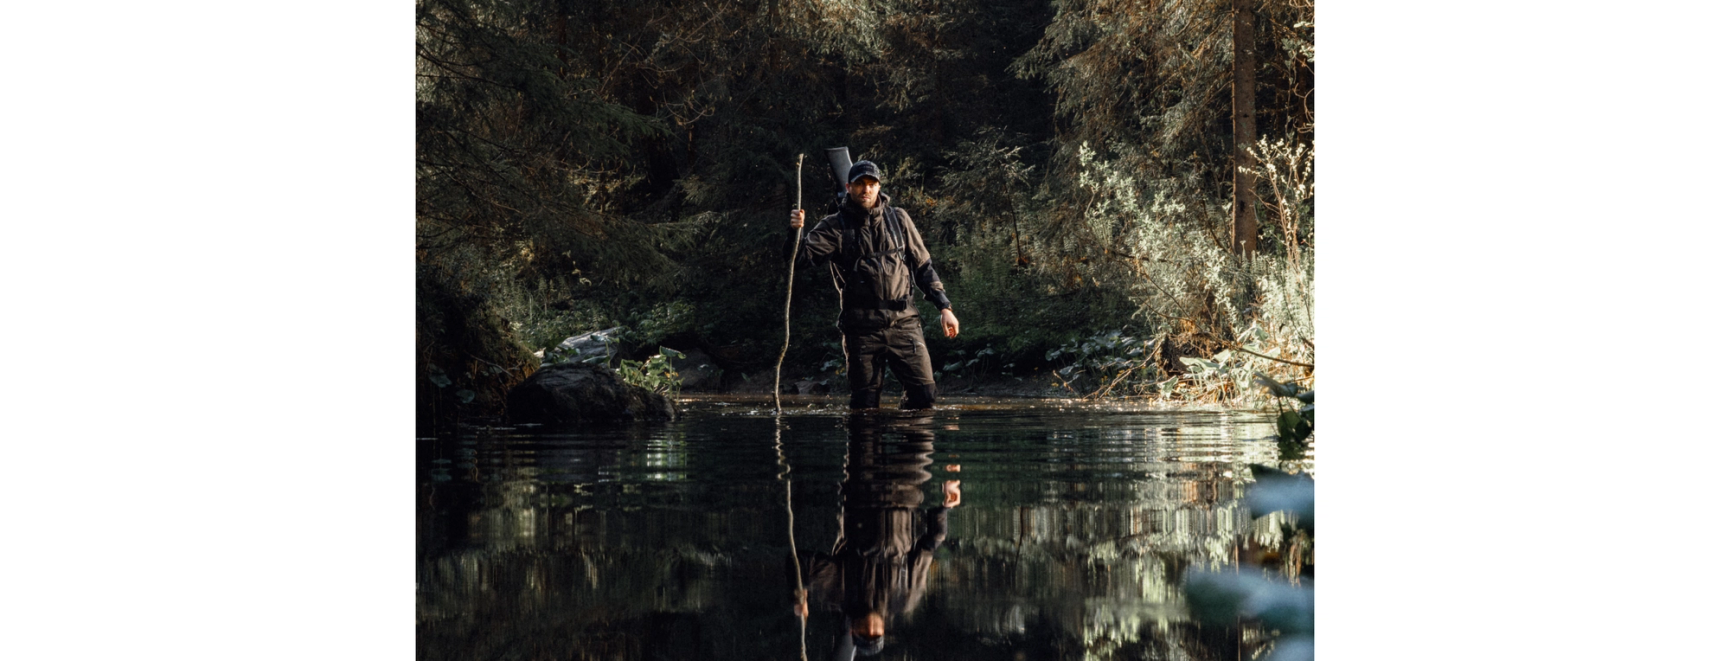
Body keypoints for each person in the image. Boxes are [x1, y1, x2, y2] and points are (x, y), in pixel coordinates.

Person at [786, 160, 961, 410]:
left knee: (924, 396)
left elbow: (923, 268)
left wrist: (945, 307)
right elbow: (800, 259)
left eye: (871, 184)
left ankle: (908, 442)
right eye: (859, 184)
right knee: (865, 407)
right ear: (848, 187)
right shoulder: (835, 225)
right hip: (861, 329)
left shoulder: (899, 219)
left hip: (904, 322)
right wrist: (795, 232)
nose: (866, 189)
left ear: (879, 187)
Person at [789, 415, 961, 658]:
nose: (870, 628)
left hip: (862, 489)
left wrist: (800, 591)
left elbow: (801, 561)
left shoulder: (839, 595)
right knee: (922, 427)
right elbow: (929, 545)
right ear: (883, 630)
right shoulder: (906, 599)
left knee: (865, 420)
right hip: (907, 488)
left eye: (864, 632)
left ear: (853, 630)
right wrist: (945, 506)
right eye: (875, 633)